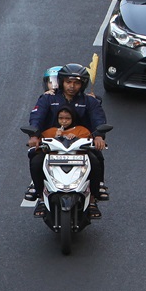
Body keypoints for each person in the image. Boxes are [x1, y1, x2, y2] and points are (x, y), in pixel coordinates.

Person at [25, 63, 108, 218]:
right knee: (36, 161)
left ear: (82, 85)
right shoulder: (48, 98)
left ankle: (93, 199)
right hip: (51, 144)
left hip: (80, 144)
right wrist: (34, 136)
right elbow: (36, 117)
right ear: (62, 82)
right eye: (68, 82)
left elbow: (99, 119)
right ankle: (41, 196)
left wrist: (98, 136)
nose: (72, 86)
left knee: (96, 160)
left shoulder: (90, 101)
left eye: (76, 83)